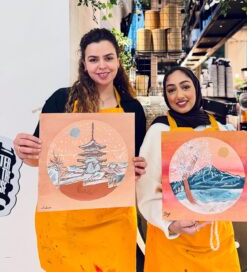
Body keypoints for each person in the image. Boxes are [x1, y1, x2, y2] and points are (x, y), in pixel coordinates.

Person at [13, 28, 147, 272]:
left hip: (113, 219)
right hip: (64, 219)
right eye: (93, 59)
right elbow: (37, 159)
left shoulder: (132, 108)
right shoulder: (61, 100)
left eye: (108, 57)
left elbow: (132, 165)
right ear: (84, 64)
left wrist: (137, 169)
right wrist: (25, 151)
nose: (102, 66)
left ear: (118, 60)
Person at [136, 66, 247, 272]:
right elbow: (146, 193)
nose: (179, 95)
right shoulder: (159, 131)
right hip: (173, 246)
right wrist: (172, 225)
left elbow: (227, 181)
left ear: (197, 89)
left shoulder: (219, 127)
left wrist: (244, 164)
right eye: (171, 90)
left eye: (185, 87)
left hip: (216, 242)